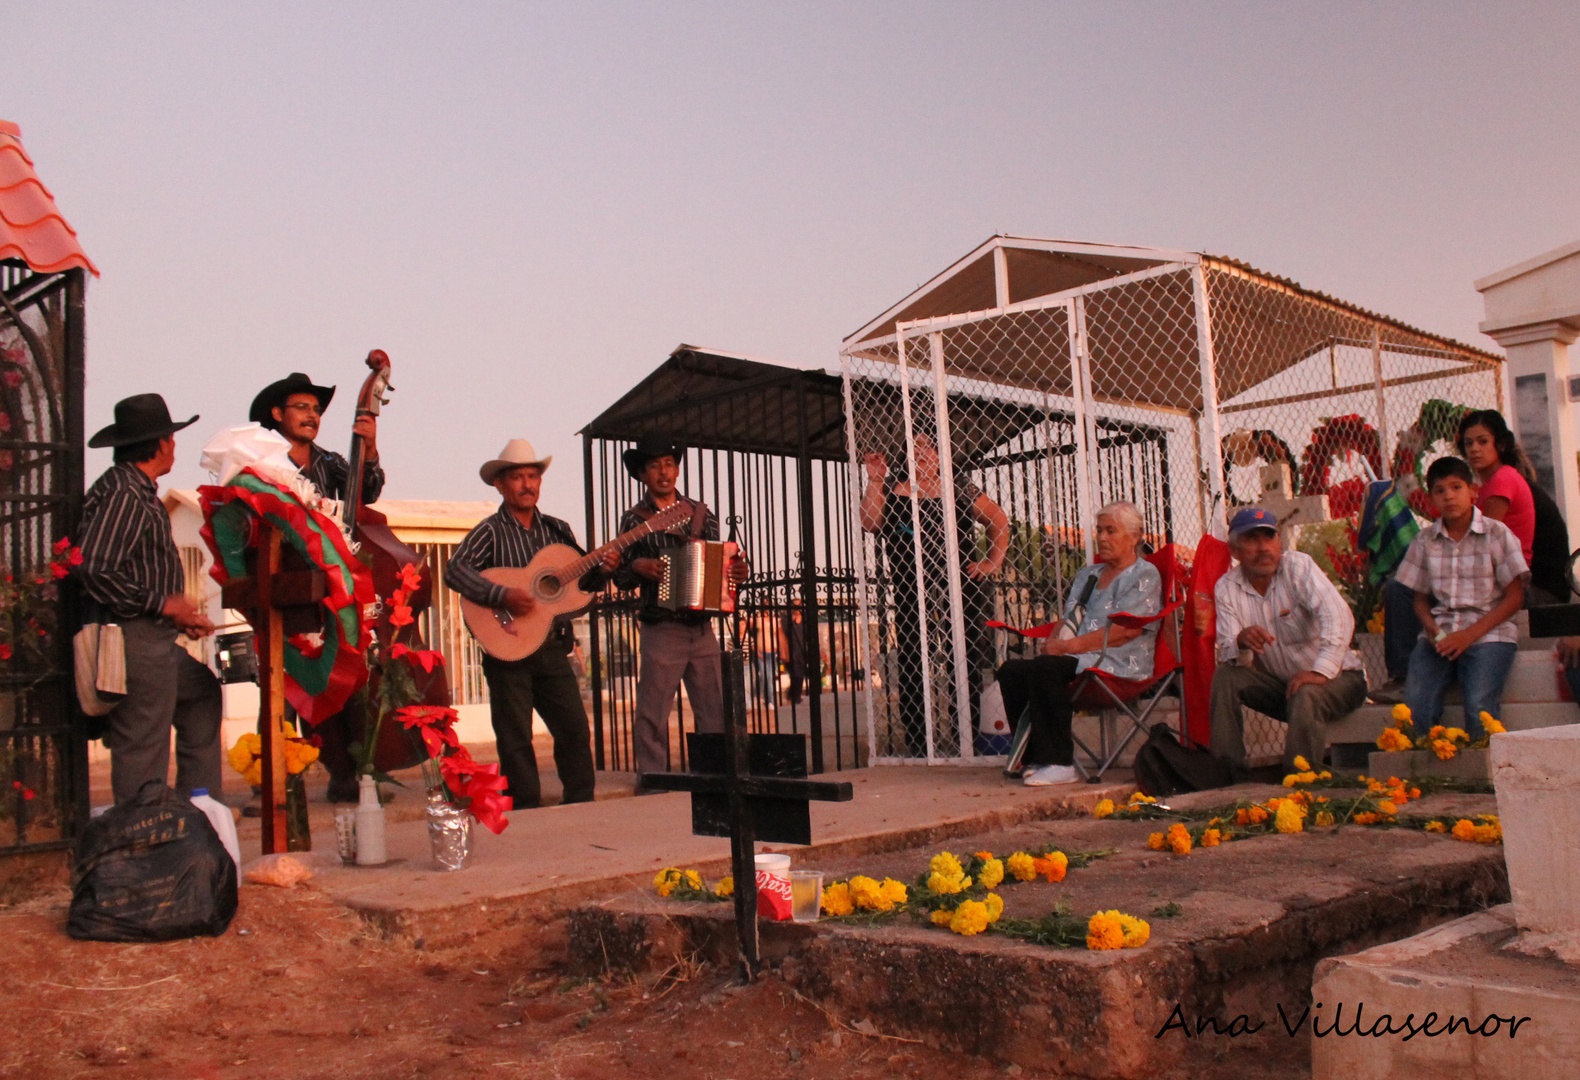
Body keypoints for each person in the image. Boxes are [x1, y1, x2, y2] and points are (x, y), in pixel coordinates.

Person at [443, 439, 617, 808]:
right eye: (518, 477)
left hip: (553, 647)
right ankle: (526, 809)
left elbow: (578, 590)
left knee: (573, 728)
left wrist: (602, 572)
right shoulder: (489, 531)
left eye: (532, 476)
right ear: (500, 485)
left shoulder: (558, 530)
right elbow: (455, 570)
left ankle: (581, 805)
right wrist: (500, 596)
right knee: (514, 736)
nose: (527, 484)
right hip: (506, 647)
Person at [77, 394, 223, 804]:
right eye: (172, 438)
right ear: (159, 443)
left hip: (153, 635)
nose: (175, 446)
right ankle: (141, 835)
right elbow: (96, 569)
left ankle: (198, 809)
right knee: (143, 743)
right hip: (132, 639)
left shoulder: (137, 491)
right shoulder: (126, 493)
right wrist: (162, 604)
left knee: (202, 694)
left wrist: (176, 616)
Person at [860, 430, 1008, 756]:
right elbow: (870, 522)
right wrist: (874, 481)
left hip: (960, 587)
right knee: (913, 657)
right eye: (915, 446)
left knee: (963, 656)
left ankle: (965, 735)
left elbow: (998, 518)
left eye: (929, 445)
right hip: (910, 585)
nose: (922, 451)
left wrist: (991, 561)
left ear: (942, 454)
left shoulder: (957, 486)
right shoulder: (892, 488)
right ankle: (919, 740)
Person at [996, 502, 1160, 785]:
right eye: (1099, 530)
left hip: (1119, 662)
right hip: (1078, 659)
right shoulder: (1089, 574)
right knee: (1012, 670)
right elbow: (1070, 616)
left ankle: (1060, 763)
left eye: (1111, 530)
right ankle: (1034, 757)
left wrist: (1066, 649)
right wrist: (1053, 642)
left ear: (1134, 536)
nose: (1102, 537)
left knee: (1048, 668)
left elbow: (1126, 632)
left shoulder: (1144, 575)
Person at [613, 436, 747, 781]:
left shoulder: (701, 513)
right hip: (662, 629)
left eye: (669, 464)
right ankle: (654, 786)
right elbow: (620, 576)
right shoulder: (634, 520)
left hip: (702, 630)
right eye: (655, 465)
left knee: (714, 713)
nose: (664, 472)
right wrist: (639, 567)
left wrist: (737, 574)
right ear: (643, 473)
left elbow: (722, 567)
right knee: (653, 714)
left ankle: (715, 783)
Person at [1209, 506, 1369, 773]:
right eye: (1252, 539)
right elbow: (1229, 652)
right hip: (1285, 690)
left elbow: (1339, 617)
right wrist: (1240, 640)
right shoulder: (1226, 587)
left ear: (1279, 542)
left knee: (1307, 693)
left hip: (1340, 681)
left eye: (1269, 537)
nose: (1263, 548)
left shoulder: (1298, 567)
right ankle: (1228, 778)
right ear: (1234, 551)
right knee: (1226, 677)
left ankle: (1299, 785)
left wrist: (1321, 671)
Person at [1395, 457, 1527, 739]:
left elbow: (1515, 597)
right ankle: (1426, 776)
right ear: (1431, 498)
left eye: (1456, 487)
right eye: (1440, 491)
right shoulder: (1425, 540)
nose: (1449, 496)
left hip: (1489, 633)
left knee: (1480, 707)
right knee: (1415, 708)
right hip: (1441, 634)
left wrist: (1467, 636)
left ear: (1473, 491)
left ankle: (1485, 778)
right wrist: (1434, 632)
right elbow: (1419, 598)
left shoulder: (1496, 534)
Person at [248, 371, 384, 505]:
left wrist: (370, 447)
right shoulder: (260, 459)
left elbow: (367, 494)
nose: (312, 415)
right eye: (302, 407)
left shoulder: (331, 461)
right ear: (278, 414)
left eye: (316, 410)